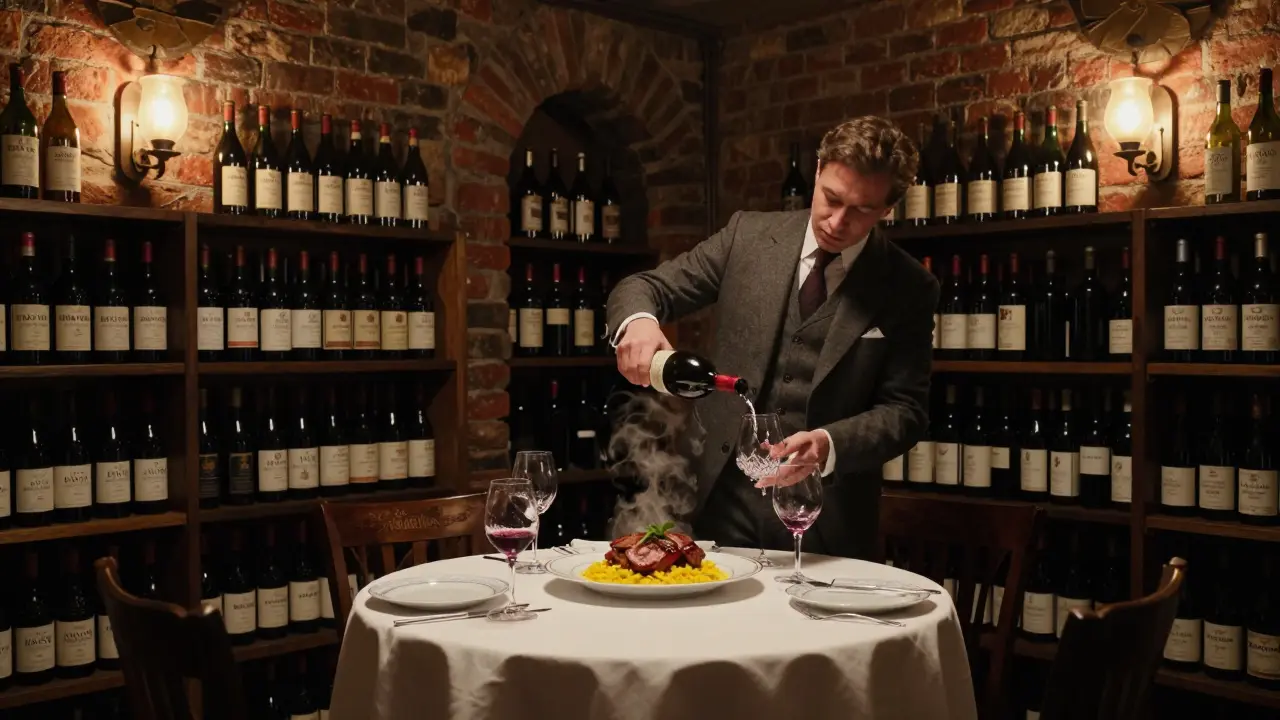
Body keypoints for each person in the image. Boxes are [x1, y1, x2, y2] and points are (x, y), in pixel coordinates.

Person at [605, 116, 938, 560]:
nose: (837, 222)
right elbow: (645, 288)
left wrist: (828, 444)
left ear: (888, 208)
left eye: (860, 210)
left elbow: (906, 412)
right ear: (817, 170)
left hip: (825, 519)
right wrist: (639, 322)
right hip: (718, 504)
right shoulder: (747, 237)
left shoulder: (908, 285)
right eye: (831, 198)